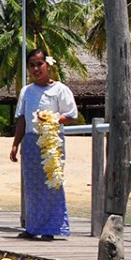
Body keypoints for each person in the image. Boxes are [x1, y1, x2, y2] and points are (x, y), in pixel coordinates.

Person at [10, 48, 78, 240]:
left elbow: (71, 115)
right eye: (32, 65)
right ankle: (32, 227)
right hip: (31, 142)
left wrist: (51, 119)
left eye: (39, 64)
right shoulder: (26, 91)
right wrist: (15, 144)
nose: (36, 69)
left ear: (47, 65)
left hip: (52, 141)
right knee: (32, 186)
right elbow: (22, 119)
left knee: (52, 183)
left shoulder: (60, 89)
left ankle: (51, 228)